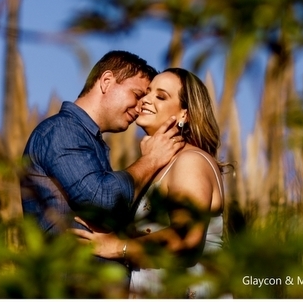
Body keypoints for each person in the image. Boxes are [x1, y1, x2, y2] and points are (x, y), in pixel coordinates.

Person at [75, 68, 226, 298]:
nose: (145, 99)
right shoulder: (160, 165)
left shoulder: (190, 161)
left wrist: (117, 246)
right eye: (147, 93)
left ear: (184, 115)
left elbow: (186, 237)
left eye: (161, 96)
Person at [20, 51, 185, 247]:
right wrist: (150, 160)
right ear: (106, 81)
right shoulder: (61, 131)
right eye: (137, 95)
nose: (140, 107)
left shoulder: (85, 138)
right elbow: (102, 199)